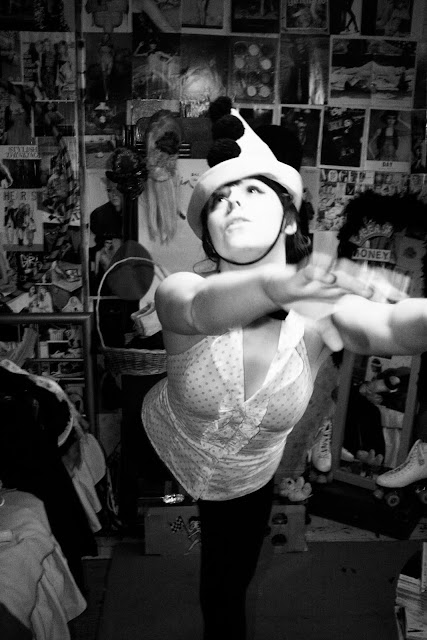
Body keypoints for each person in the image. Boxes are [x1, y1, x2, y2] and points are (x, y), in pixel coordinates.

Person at [141, 107, 427, 640]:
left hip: (245, 475)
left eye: (252, 190)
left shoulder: (318, 309)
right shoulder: (182, 288)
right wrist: (280, 285)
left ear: (290, 219)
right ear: (210, 236)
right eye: (220, 200)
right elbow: (198, 311)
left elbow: (393, 325)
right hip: (169, 437)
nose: (232, 203)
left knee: (226, 584)